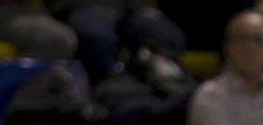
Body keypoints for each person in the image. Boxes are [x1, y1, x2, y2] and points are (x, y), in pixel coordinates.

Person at [45, 0, 187, 85]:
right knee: (100, 35)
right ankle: (110, 84)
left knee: (168, 35)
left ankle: (168, 82)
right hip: (79, 7)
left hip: (124, 9)